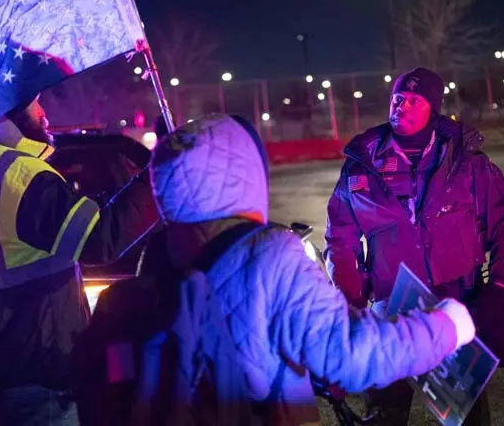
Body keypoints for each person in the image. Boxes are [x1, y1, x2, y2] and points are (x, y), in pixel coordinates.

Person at [142, 113, 477, 425]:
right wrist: (444, 327)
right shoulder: (269, 253)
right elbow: (351, 354)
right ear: (242, 172)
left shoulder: (157, 254)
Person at [0, 86, 158, 425]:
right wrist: (161, 171)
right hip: (35, 380)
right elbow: (100, 238)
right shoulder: (10, 172)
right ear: (5, 111)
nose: (44, 112)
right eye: (34, 103)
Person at [324, 67, 504, 424]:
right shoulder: (362, 164)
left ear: (432, 108)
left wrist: (499, 287)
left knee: (465, 412)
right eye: (397, 98)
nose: (401, 106)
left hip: (457, 308)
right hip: (389, 309)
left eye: (413, 100)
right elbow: (340, 239)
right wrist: (351, 301)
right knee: (384, 412)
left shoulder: (467, 163)